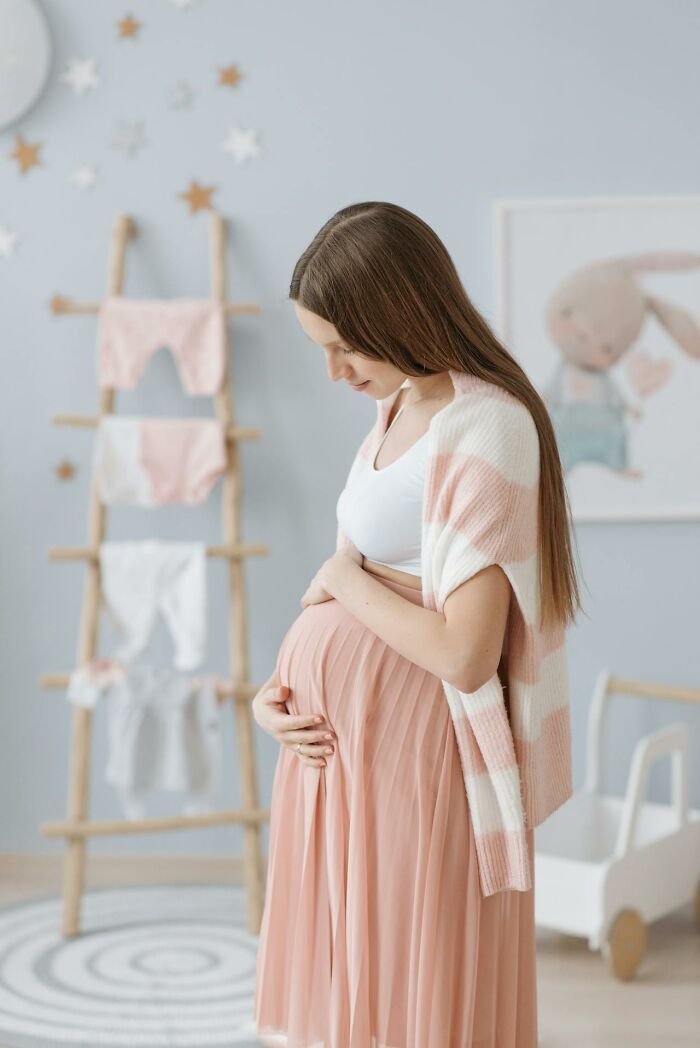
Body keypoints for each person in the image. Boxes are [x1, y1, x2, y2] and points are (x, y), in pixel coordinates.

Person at [252, 201, 582, 1047]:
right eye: (321, 347)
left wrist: (340, 580)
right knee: (355, 982)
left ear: (403, 313)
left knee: (412, 978)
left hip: (417, 751)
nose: (333, 372)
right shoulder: (393, 409)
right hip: (339, 754)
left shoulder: (491, 426)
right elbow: (347, 584)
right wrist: (276, 695)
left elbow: (465, 655)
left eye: (345, 346)